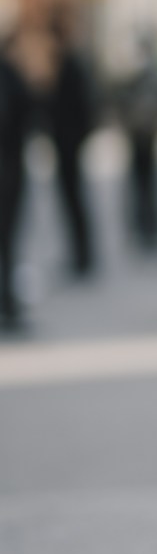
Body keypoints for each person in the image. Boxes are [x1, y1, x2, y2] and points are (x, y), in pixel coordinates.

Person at [45, 4, 98, 277]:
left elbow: (80, 107)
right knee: (72, 199)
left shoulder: (69, 64)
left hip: (69, 142)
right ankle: (81, 255)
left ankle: (83, 257)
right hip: (66, 141)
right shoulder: (65, 62)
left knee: (74, 199)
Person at [116, 28, 157, 251]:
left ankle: (151, 228)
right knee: (141, 186)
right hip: (138, 136)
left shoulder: (153, 76)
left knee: (149, 186)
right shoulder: (135, 75)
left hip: (147, 136)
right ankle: (143, 228)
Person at [0, 28, 34, 332]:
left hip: (10, 167)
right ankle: (7, 302)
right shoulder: (7, 74)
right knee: (7, 240)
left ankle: (8, 301)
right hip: (7, 170)